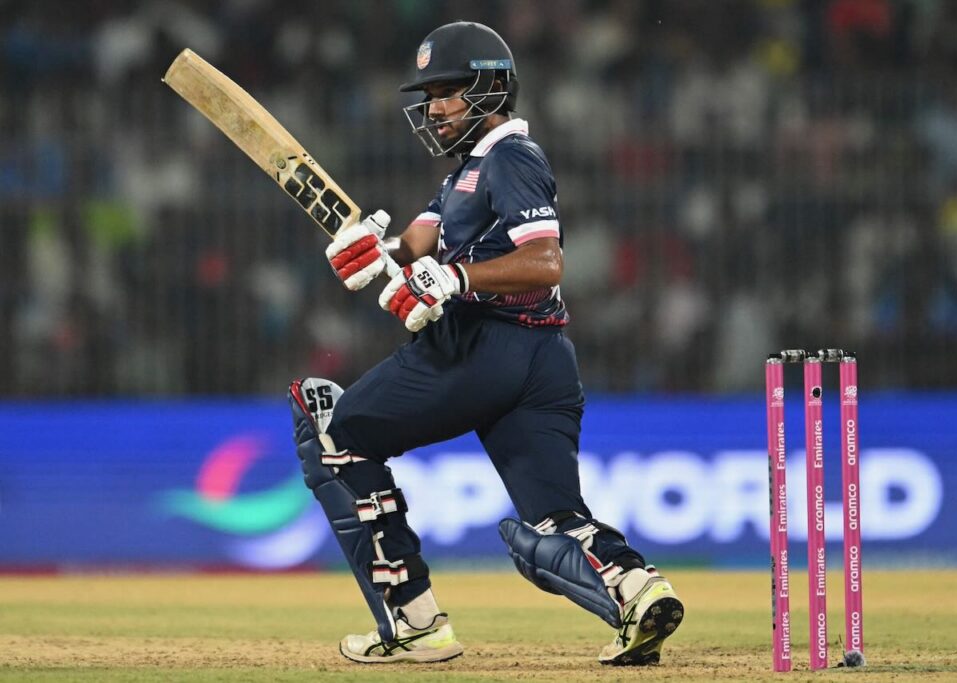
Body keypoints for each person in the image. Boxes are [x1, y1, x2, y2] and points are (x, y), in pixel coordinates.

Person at [288, 21, 683, 666]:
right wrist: (372, 251)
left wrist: (455, 277)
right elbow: (413, 244)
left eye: (447, 92)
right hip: (544, 362)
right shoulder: (463, 177)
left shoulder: (509, 157)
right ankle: (638, 591)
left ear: (491, 89)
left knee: (335, 435)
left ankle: (414, 623)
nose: (434, 109)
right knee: (552, 522)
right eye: (429, 96)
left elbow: (546, 262)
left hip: (480, 348)